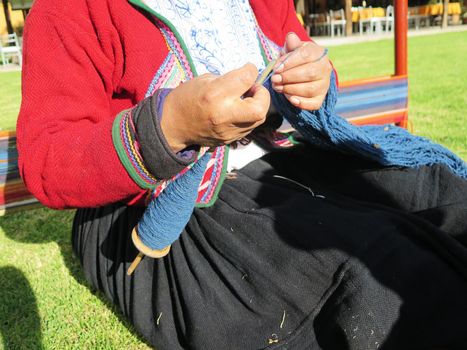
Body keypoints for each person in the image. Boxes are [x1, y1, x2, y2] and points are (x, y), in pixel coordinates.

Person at [18, 0, 467, 349]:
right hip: (167, 214)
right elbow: (46, 160)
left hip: (286, 157)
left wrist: (314, 79)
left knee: (441, 191)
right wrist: (169, 127)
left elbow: (305, 59)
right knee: (390, 275)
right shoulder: (71, 10)